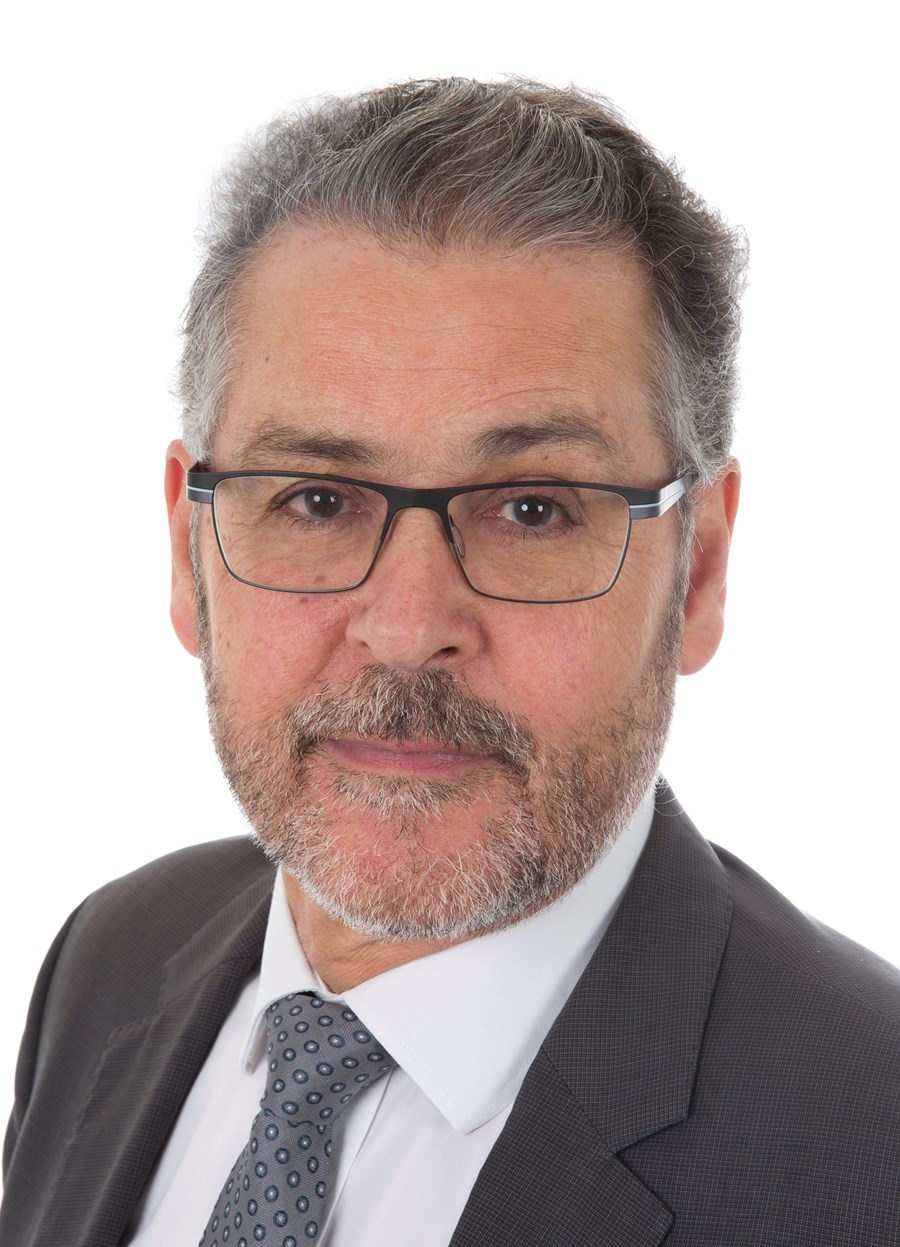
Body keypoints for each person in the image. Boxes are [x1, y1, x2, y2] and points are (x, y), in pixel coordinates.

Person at [1, 78, 897, 1247]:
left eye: (531, 507)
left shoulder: (872, 1143)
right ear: (189, 549)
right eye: (316, 498)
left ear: (700, 570)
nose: (408, 623)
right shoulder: (115, 955)